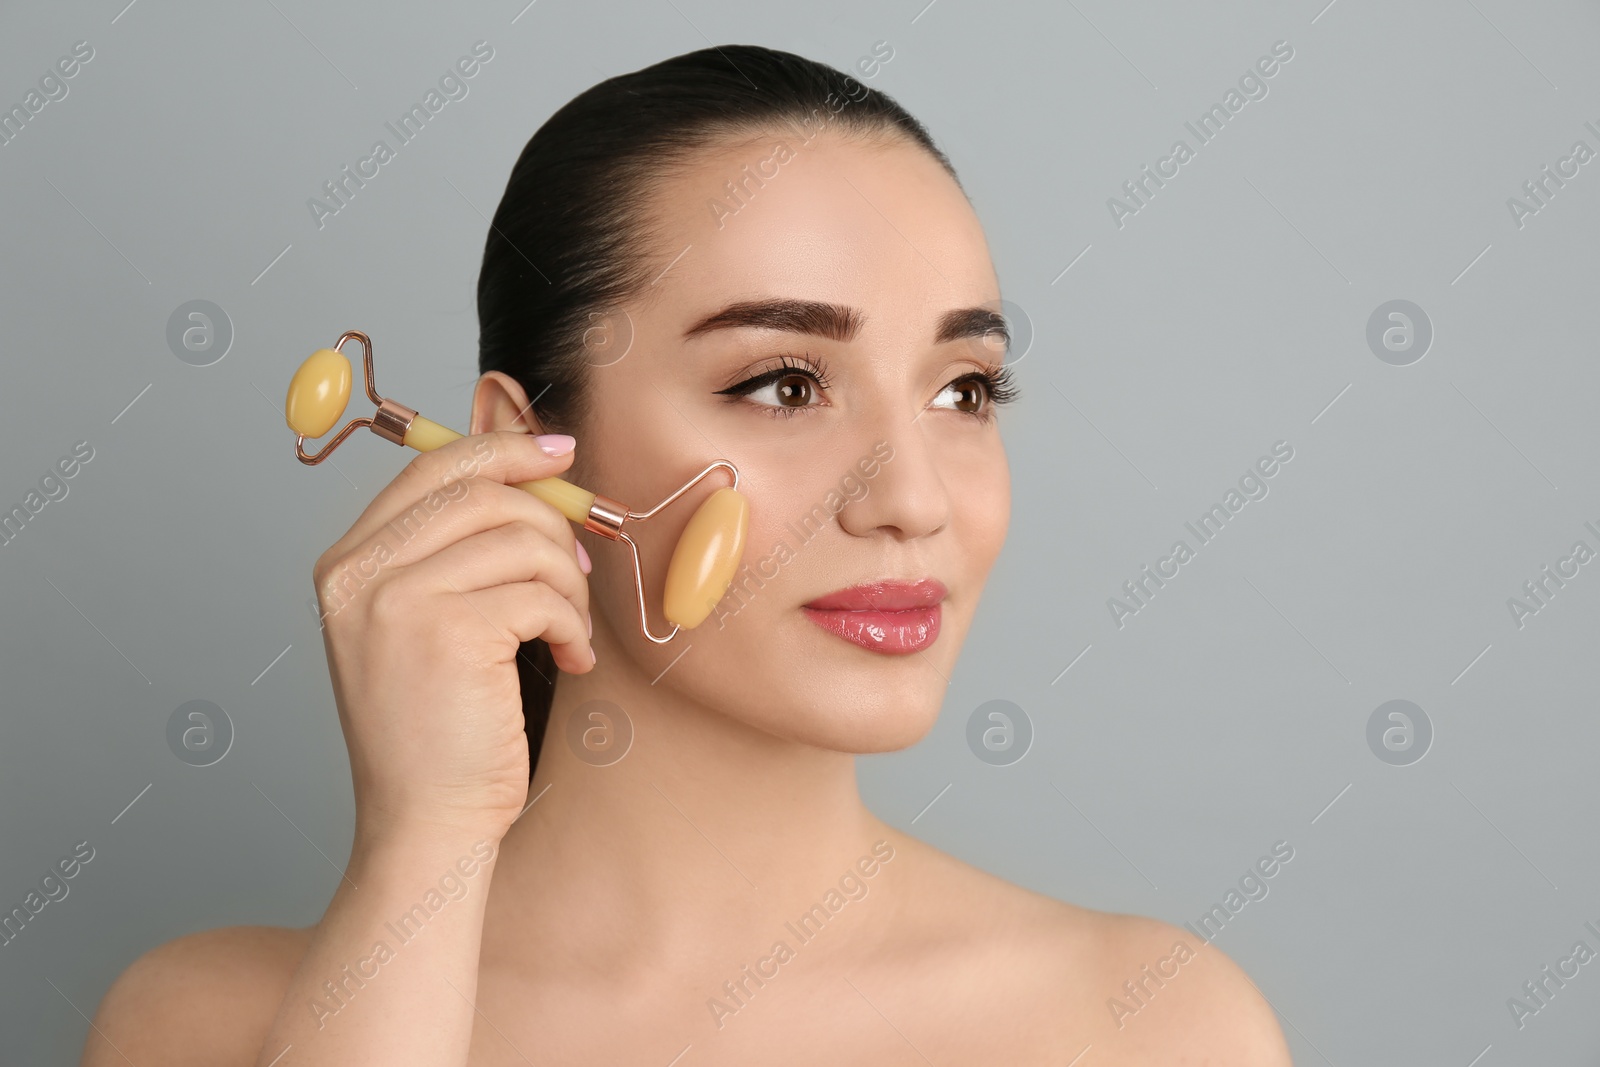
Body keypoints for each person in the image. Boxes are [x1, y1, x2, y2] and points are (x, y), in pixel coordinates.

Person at [82, 44, 1292, 1065]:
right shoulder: (207, 1026)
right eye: (781, 382)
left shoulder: (1150, 1026)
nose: (912, 498)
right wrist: (423, 850)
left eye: (964, 389)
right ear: (519, 454)